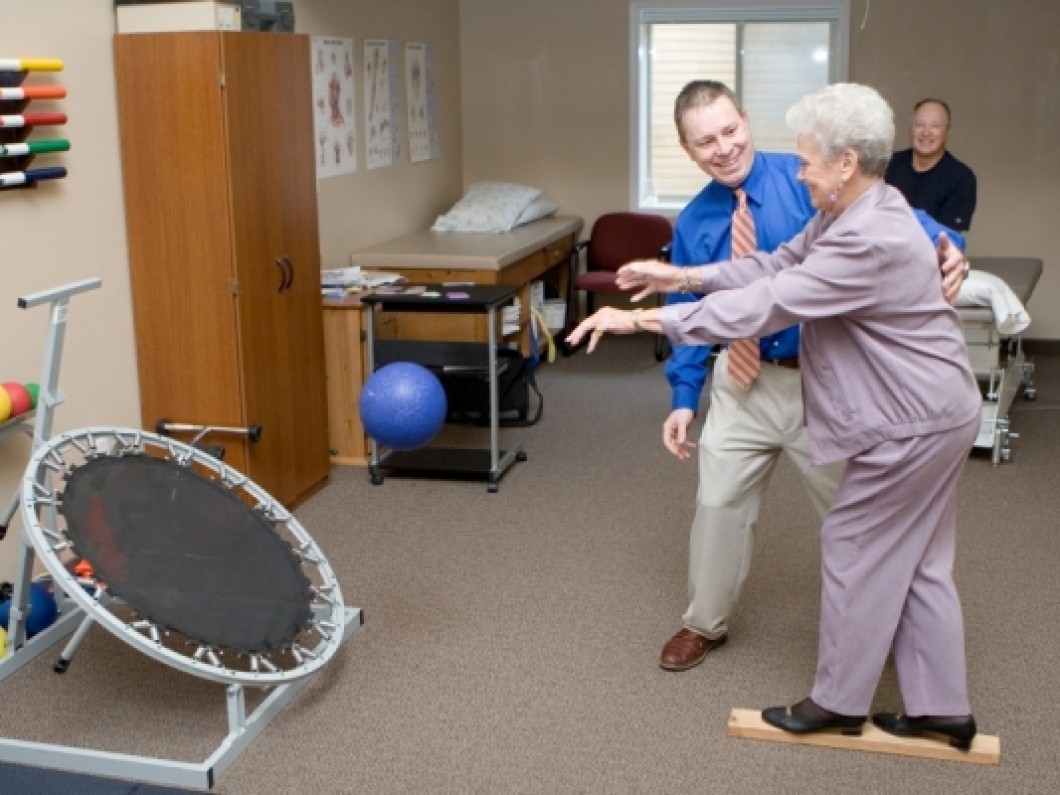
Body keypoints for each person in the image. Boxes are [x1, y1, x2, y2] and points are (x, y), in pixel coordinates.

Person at [568, 82, 982, 748]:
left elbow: (768, 302)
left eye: (810, 158)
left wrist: (637, 318)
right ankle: (942, 709)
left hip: (899, 409)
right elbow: (771, 263)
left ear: (846, 162)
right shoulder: (845, 209)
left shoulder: (866, 232)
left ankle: (839, 701)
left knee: (853, 538)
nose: (800, 168)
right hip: (906, 401)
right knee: (922, 554)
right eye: (706, 138)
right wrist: (678, 279)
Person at [885, 98, 977, 232]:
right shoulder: (887, 165)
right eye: (919, 124)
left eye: (935, 126)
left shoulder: (961, 179)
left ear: (947, 132)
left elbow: (946, 237)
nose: (926, 132)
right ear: (911, 130)